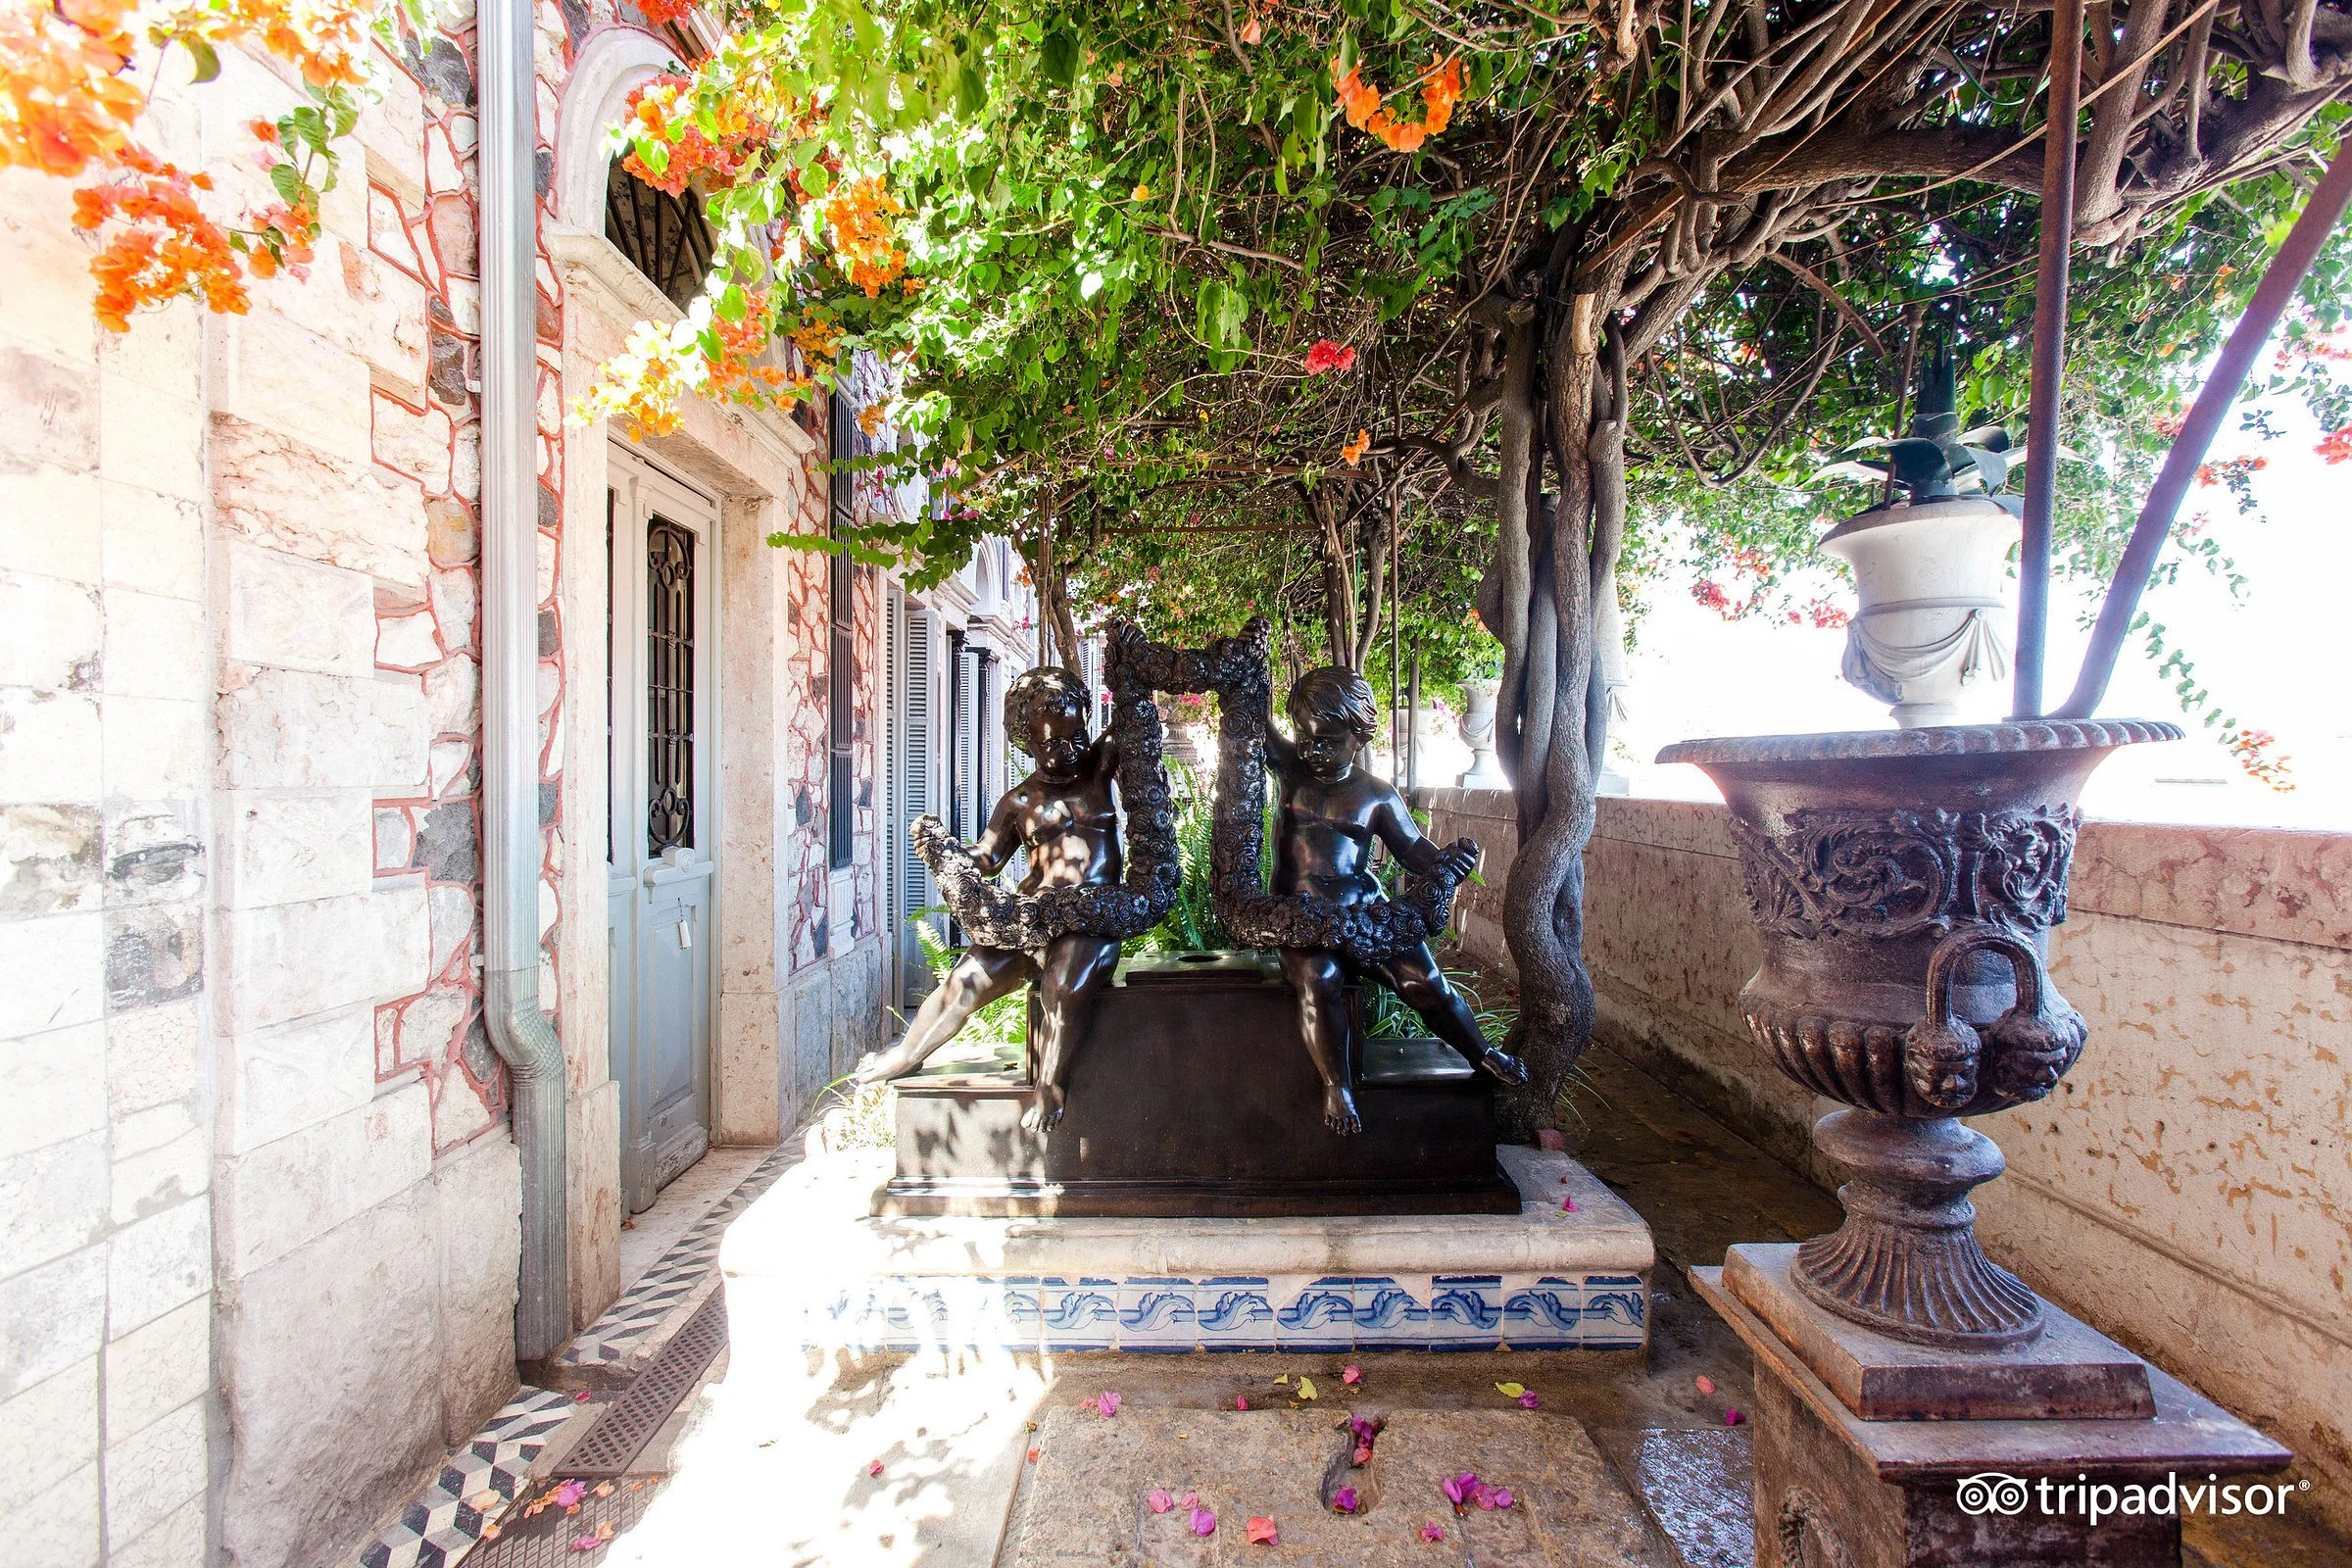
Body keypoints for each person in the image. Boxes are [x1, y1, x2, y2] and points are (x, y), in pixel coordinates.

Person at [857, 665, 1122, 1134]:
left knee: (1063, 989)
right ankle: (907, 1053)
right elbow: (988, 857)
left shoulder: (1100, 768)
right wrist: (946, 850)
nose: (1072, 747)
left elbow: (1130, 717)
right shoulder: (1019, 801)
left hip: (1091, 918)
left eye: (1078, 733)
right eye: (1055, 743)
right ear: (1028, 744)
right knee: (964, 981)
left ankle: (1051, 1087)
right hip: (1030, 917)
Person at [1266, 665, 1529, 1134]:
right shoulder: (1289, 768)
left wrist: (1446, 863)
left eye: (1327, 740)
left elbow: (1413, 851)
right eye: (1305, 739)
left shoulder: (1376, 796)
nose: (1314, 751)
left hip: (1363, 909)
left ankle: (1482, 1052)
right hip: (1300, 916)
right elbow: (1251, 718)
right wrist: (1248, 666)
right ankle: (1336, 1086)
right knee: (1318, 977)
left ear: (1358, 735)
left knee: (1423, 981)